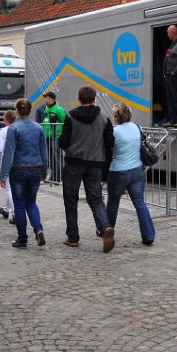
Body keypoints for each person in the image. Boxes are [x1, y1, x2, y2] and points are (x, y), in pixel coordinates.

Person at [58, 85, 116, 253]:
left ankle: (73, 237)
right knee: (95, 199)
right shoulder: (105, 118)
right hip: (95, 163)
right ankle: (105, 227)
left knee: (70, 199)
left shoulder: (70, 116)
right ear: (94, 98)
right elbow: (109, 144)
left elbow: (63, 142)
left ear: (79, 98)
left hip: (73, 163)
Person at [0, 99, 48, 249]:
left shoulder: (13, 128)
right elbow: (44, 152)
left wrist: (3, 175)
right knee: (31, 202)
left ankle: (22, 238)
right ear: (30, 111)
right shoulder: (38, 128)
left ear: (17, 111)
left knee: (19, 205)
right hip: (35, 168)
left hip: (18, 169)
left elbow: (9, 153)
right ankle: (38, 229)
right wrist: (44, 170)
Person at [105, 103, 156, 246]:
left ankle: (107, 230)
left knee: (113, 201)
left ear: (116, 117)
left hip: (119, 171)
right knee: (140, 203)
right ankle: (148, 235)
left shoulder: (115, 132)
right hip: (137, 170)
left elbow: (109, 149)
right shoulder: (137, 127)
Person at [0, 110, 17, 223]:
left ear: (6, 119)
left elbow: (0, 148)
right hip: (20, 160)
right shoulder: (19, 128)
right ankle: (6, 209)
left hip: (7, 160)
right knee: (14, 187)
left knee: (9, 188)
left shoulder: (4, 131)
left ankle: (15, 213)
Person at [41, 91, 66, 182]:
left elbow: (65, 123)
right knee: (50, 158)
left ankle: (61, 177)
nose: (44, 99)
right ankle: (54, 176)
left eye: (46, 97)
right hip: (47, 137)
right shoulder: (47, 109)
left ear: (51, 99)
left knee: (57, 157)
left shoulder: (59, 109)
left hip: (56, 137)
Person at [162, 24, 177, 128]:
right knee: (170, 99)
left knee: (176, 99)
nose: (167, 35)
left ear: (173, 32)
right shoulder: (173, 44)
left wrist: (175, 71)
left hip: (175, 77)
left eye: (168, 33)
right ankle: (172, 120)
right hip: (168, 76)